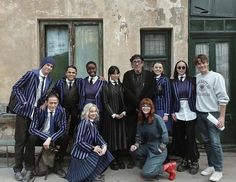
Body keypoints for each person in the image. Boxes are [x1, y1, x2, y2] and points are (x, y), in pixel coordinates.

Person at [11, 57, 55, 181]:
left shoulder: (49, 80)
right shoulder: (31, 74)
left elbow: (41, 96)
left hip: (34, 115)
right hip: (23, 113)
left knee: (30, 140)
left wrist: (42, 104)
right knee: (20, 141)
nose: (49, 68)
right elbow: (16, 87)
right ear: (43, 65)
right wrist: (23, 101)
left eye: (51, 67)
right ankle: (18, 169)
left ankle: (29, 168)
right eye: (47, 65)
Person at [194, 54, 229, 182]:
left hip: (213, 114)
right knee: (207, 142)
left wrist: (222, 117)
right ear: (196, 66)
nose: (201, 65)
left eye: (203, 63)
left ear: (207, 63)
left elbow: (223, 98)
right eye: (198, 64)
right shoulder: (196, 78)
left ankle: (219, 170)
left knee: (215, 143)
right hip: (200, 114)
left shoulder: (216, 77)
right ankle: (211, 166)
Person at [130, 98, 176, 181]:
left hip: (158, 149)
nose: (145, 107)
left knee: (145, 174)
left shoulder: (157, 118)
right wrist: (136, 145)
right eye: (143, 106)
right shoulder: (140, 120)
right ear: (141, 108)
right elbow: (138, 136)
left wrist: (161, 147)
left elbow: (165, 134)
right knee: (133, 151)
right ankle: (151, 168)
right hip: (147, 146)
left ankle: (167, 167)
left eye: (148, 106)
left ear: (151, 108)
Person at [66, 103, 114, 182]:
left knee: (105, 153)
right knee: (99, 153)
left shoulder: (93, 123)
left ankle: (93, 174)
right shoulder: (84, 123)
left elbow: (98, 137)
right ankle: (91, 176)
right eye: (91, 111)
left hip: (87, 150)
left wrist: (104, 146)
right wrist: (93, 148)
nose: (94, 113)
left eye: (95, 111)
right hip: (80, 153)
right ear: (86, 112)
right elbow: (79, 142)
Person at [25, 93, 67, 181]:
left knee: (65, 138)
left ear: (58, 103)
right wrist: (46, 137)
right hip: (41, 136)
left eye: (55, 103)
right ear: (46, 102)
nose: (53, 105)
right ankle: (30, 168)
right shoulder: (39, 111)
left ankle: (57, 164)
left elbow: (63, 129)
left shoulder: (62, 111)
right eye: (51, 103)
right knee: (31, 138)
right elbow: (32, 129)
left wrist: (50, 138)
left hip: (53, 137)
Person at [123, 54, 154, 168]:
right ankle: (133, 158)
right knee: (131, 135)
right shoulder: (127, 75)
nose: (137, 64)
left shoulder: (149, 75)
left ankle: (145, 157)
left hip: (145, 110)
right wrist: (137, 104)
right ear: (132, 64)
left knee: (145, 134)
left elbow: (151, 90)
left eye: (139, 61)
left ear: (142, 63)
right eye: (134, 62)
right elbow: (126, 91)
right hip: (132, 110)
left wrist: (142, 105)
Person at [170, 60, 199, 175]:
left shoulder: (193, 80)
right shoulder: (172, 82)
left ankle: (194, 161)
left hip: (191, 111)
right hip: (178, 112)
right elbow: (171, 98)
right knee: (180, 138)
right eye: (179, 68)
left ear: (186, 68)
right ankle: (184, 160)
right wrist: (172, 112)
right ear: (176, 69)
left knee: (190, 137)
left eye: (183, 67)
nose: (181, 69)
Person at [51, 65, 82, 166]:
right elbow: (53, 92)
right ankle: (59, 158)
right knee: (63, 132)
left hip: (75, 110)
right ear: (66, 73)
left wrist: (101, 78)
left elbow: (90, 81)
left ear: (76, 74)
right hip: (63, 110)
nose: (71, 74)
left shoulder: (79, 82)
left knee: (73, 133)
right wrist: (57, 105)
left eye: (73, 73)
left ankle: (74, 158)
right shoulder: (60, 82)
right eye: (69, 72)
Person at [102, 66, 127, 170]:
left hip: (121, 116)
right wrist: (113, 114)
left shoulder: (121, 86)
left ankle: (119, 158)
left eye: (117, 73)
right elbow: (105, 102)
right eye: (113, 73)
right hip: (111, 117)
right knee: (112, 138)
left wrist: (124, 112)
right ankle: (112, 160)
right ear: (109, 75)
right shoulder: (106, 87)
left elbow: (125, 101)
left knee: (120, 138)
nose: (115, 75)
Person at [79, 61, 106, 130]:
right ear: (86, 70)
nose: (91, 70)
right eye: (89, 69)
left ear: (96, 68)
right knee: (86, 128)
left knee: (96, 128)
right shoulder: (83, 81)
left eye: (93, 68)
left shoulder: (102, 82)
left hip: (97, 109)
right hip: (86, 109)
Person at [152, 62, 171, 132]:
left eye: (160, 67)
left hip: (162, 108)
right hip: (153, 108)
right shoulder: (151, 79)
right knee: (154, 129)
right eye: (156, 67)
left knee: (162, 128)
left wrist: (166, 114)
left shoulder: (165, 80)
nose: (158, 69)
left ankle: (163, 143)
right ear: (153, 69)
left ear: (162, 69)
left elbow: (167, 96)